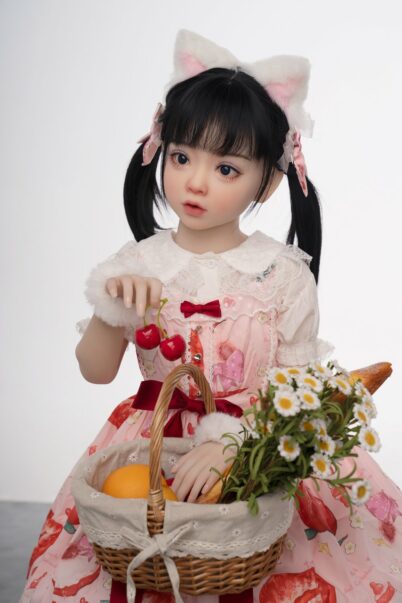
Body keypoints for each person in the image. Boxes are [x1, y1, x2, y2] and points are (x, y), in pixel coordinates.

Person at [20, 29, 402, 603]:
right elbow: (96, 371)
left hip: (259, 444)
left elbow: (297, 387)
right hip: (152, 448)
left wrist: (234, 443)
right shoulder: (138, 262)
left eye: (227, 169)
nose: (196, 182)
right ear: (159, 150)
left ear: (268, 182)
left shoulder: (281, 273)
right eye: (181, 157)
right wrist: (111, 307)